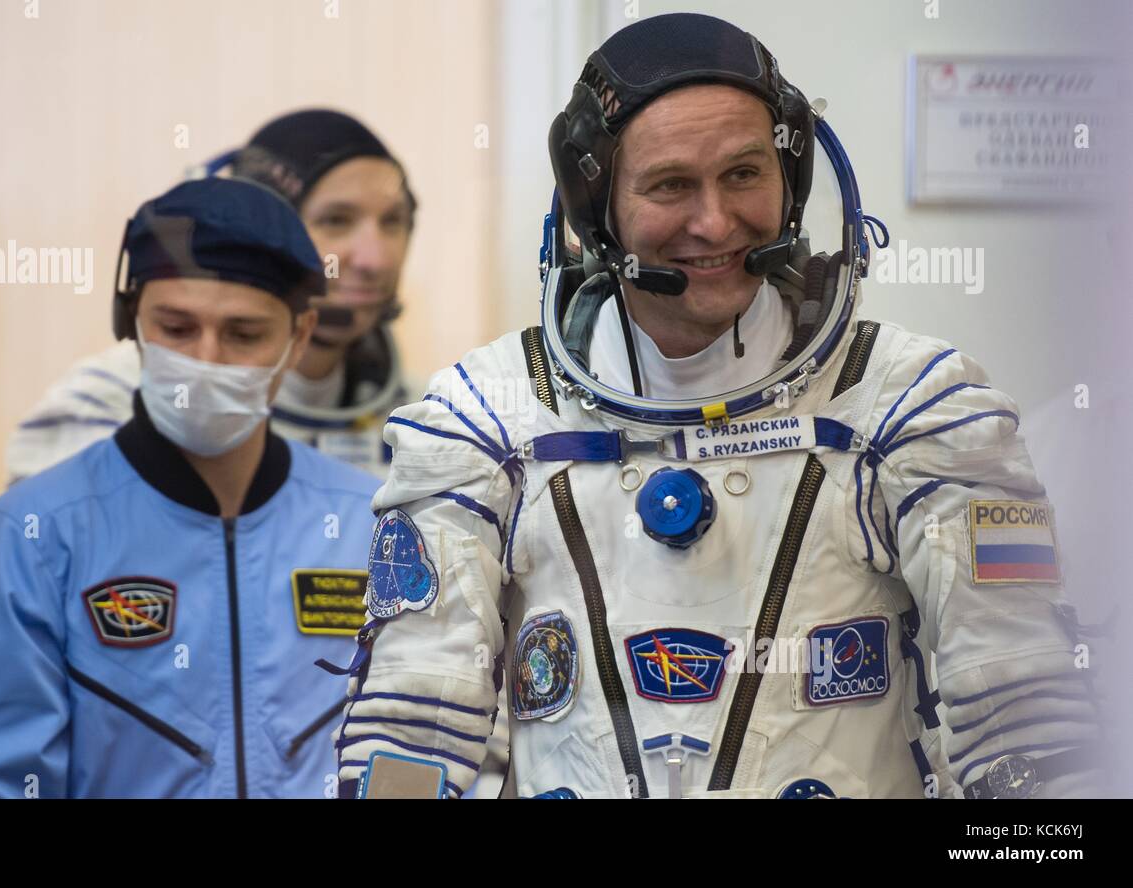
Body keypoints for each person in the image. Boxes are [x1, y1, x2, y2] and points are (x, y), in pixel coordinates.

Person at [333, 13, 1101, 799]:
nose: (715, 222)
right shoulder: (485, 420)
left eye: (744, 174)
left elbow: (1024, 720)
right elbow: (413, 730)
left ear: (790, 181)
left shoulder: (916, 408)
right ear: (599, 209)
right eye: (671, 185)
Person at [0, 177, 376, 798]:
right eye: (177, 327)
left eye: (244, 334)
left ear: (298, 338)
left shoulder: (370, 525)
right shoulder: (31, 537)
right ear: (129, 320)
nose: (206, 359)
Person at [5, 109, 414, 483]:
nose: (374, 258)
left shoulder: (420, 420)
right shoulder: (100, 410)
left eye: (392, 221)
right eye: (336, 220)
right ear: (257, 235)